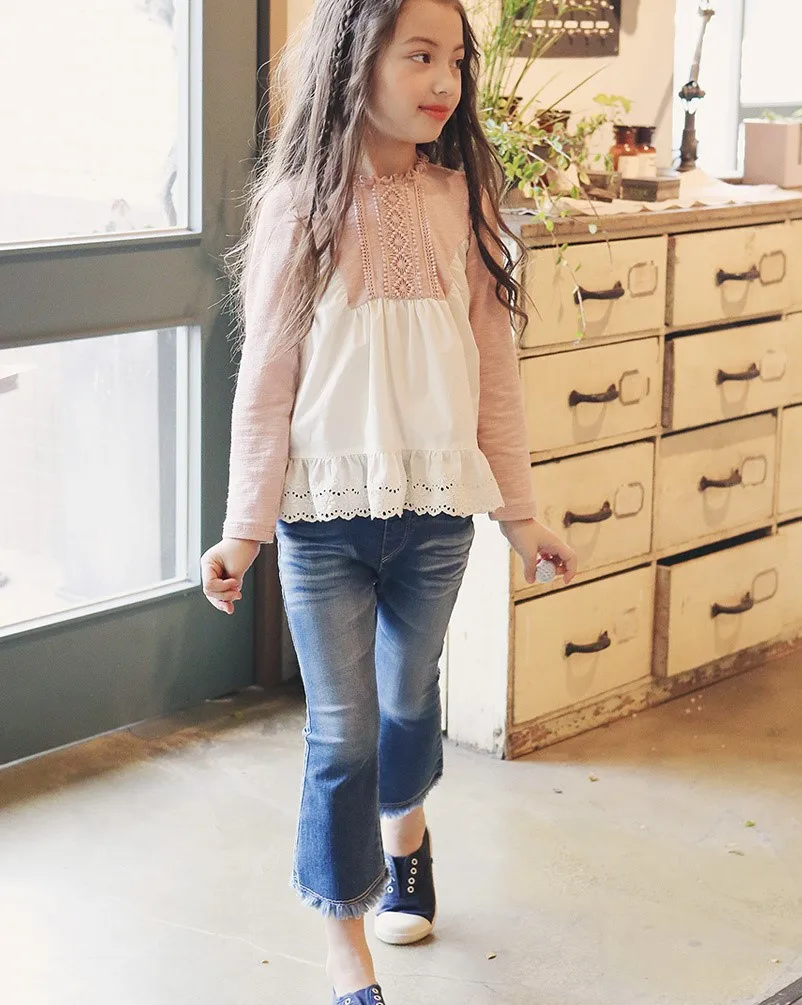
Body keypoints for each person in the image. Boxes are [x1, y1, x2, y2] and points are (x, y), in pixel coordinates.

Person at [201, 0, 577, 1001]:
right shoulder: (298, 208)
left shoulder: (464, 200)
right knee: (342, 731)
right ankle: (345, 944)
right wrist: (242, 531)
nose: (444, 80)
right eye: (419, 55)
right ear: (353, 62)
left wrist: (521, 514)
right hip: (322, 521)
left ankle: (405, 837)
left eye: (454, 59)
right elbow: (266, 378)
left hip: (437, 516)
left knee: (408, 701)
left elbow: (495, 373)